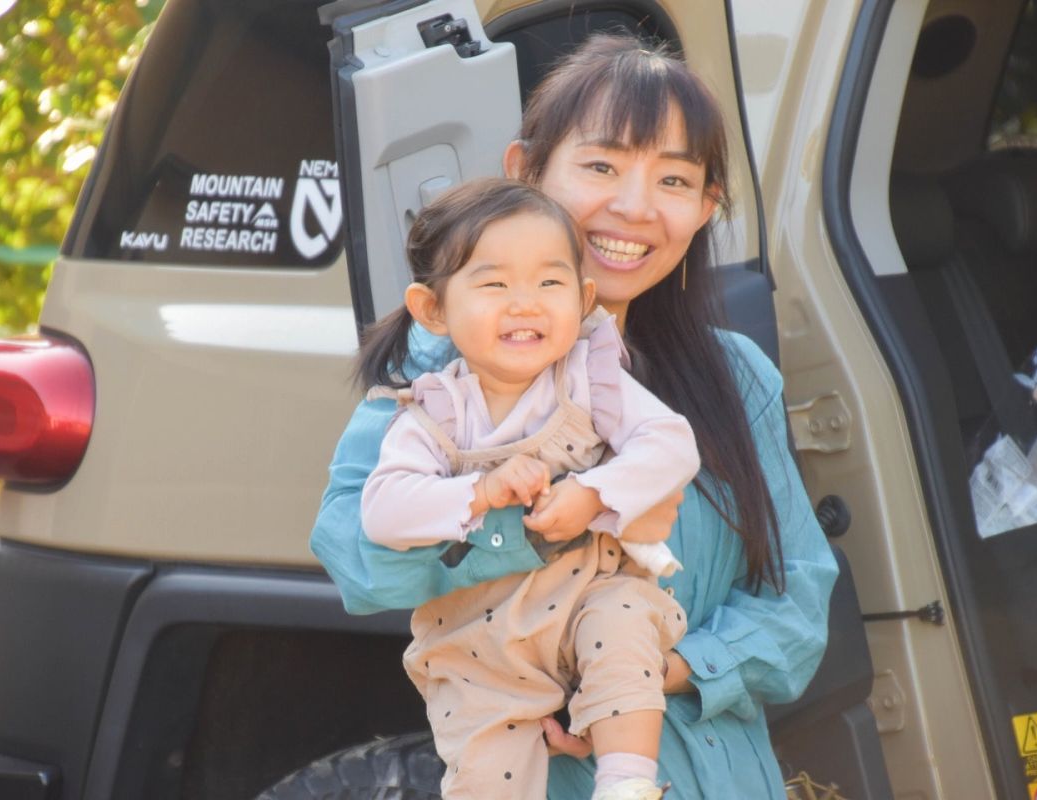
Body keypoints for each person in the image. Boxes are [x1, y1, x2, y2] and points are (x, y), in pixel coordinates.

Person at [310, 31, 839, 799]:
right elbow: (356, 557)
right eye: (600, 166)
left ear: (704, 208)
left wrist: (653, 671)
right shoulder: (436, 381)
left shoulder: (735, 377)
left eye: (673, 180)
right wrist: (519, 522)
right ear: (525, 171)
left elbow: (798, 609)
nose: (633, 207)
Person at [357, 177, 698, 800]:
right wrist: (481, 493)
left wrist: (596, 492)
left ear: (583, 296)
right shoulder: (432, 414)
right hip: (481, 650)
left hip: (586, 605)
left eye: (549, 283)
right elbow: (382, 512)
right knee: (486, 775)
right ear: (432, 308)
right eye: (493, 284)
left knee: (623, 631)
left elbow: (672, 444)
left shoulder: (592, 382)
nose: (525, 304)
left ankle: (626, 786)